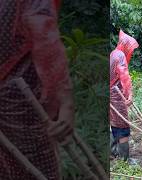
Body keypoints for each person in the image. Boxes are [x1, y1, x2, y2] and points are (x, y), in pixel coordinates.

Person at [0, 0, 74, 179]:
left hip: (14, 91)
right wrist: (65, 99)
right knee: (36, 167)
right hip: (19, 94)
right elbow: (42, 29)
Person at [110, 30, 139, 165]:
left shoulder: (112, 54)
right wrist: (129, 95)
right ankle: (125, 159)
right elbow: (125, 77)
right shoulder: (120, 55)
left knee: (114, 123)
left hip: (111, 96)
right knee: (123, 126)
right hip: (117, 96)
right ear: (126, 45)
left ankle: (113, 151)